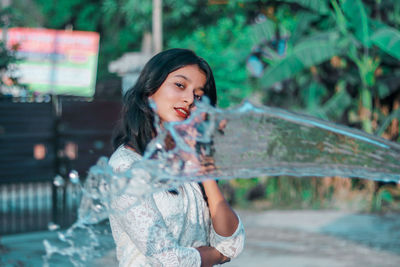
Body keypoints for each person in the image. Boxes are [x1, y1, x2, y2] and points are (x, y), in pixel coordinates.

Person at [108, 48, 245, 267]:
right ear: (150, 87)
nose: (190, 99)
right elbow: (167, 259)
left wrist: (203, 169)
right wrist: (216, 256)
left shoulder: (187, 163)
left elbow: (233, 243)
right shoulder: (125, 167)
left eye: (198, 95)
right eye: (180, 85)